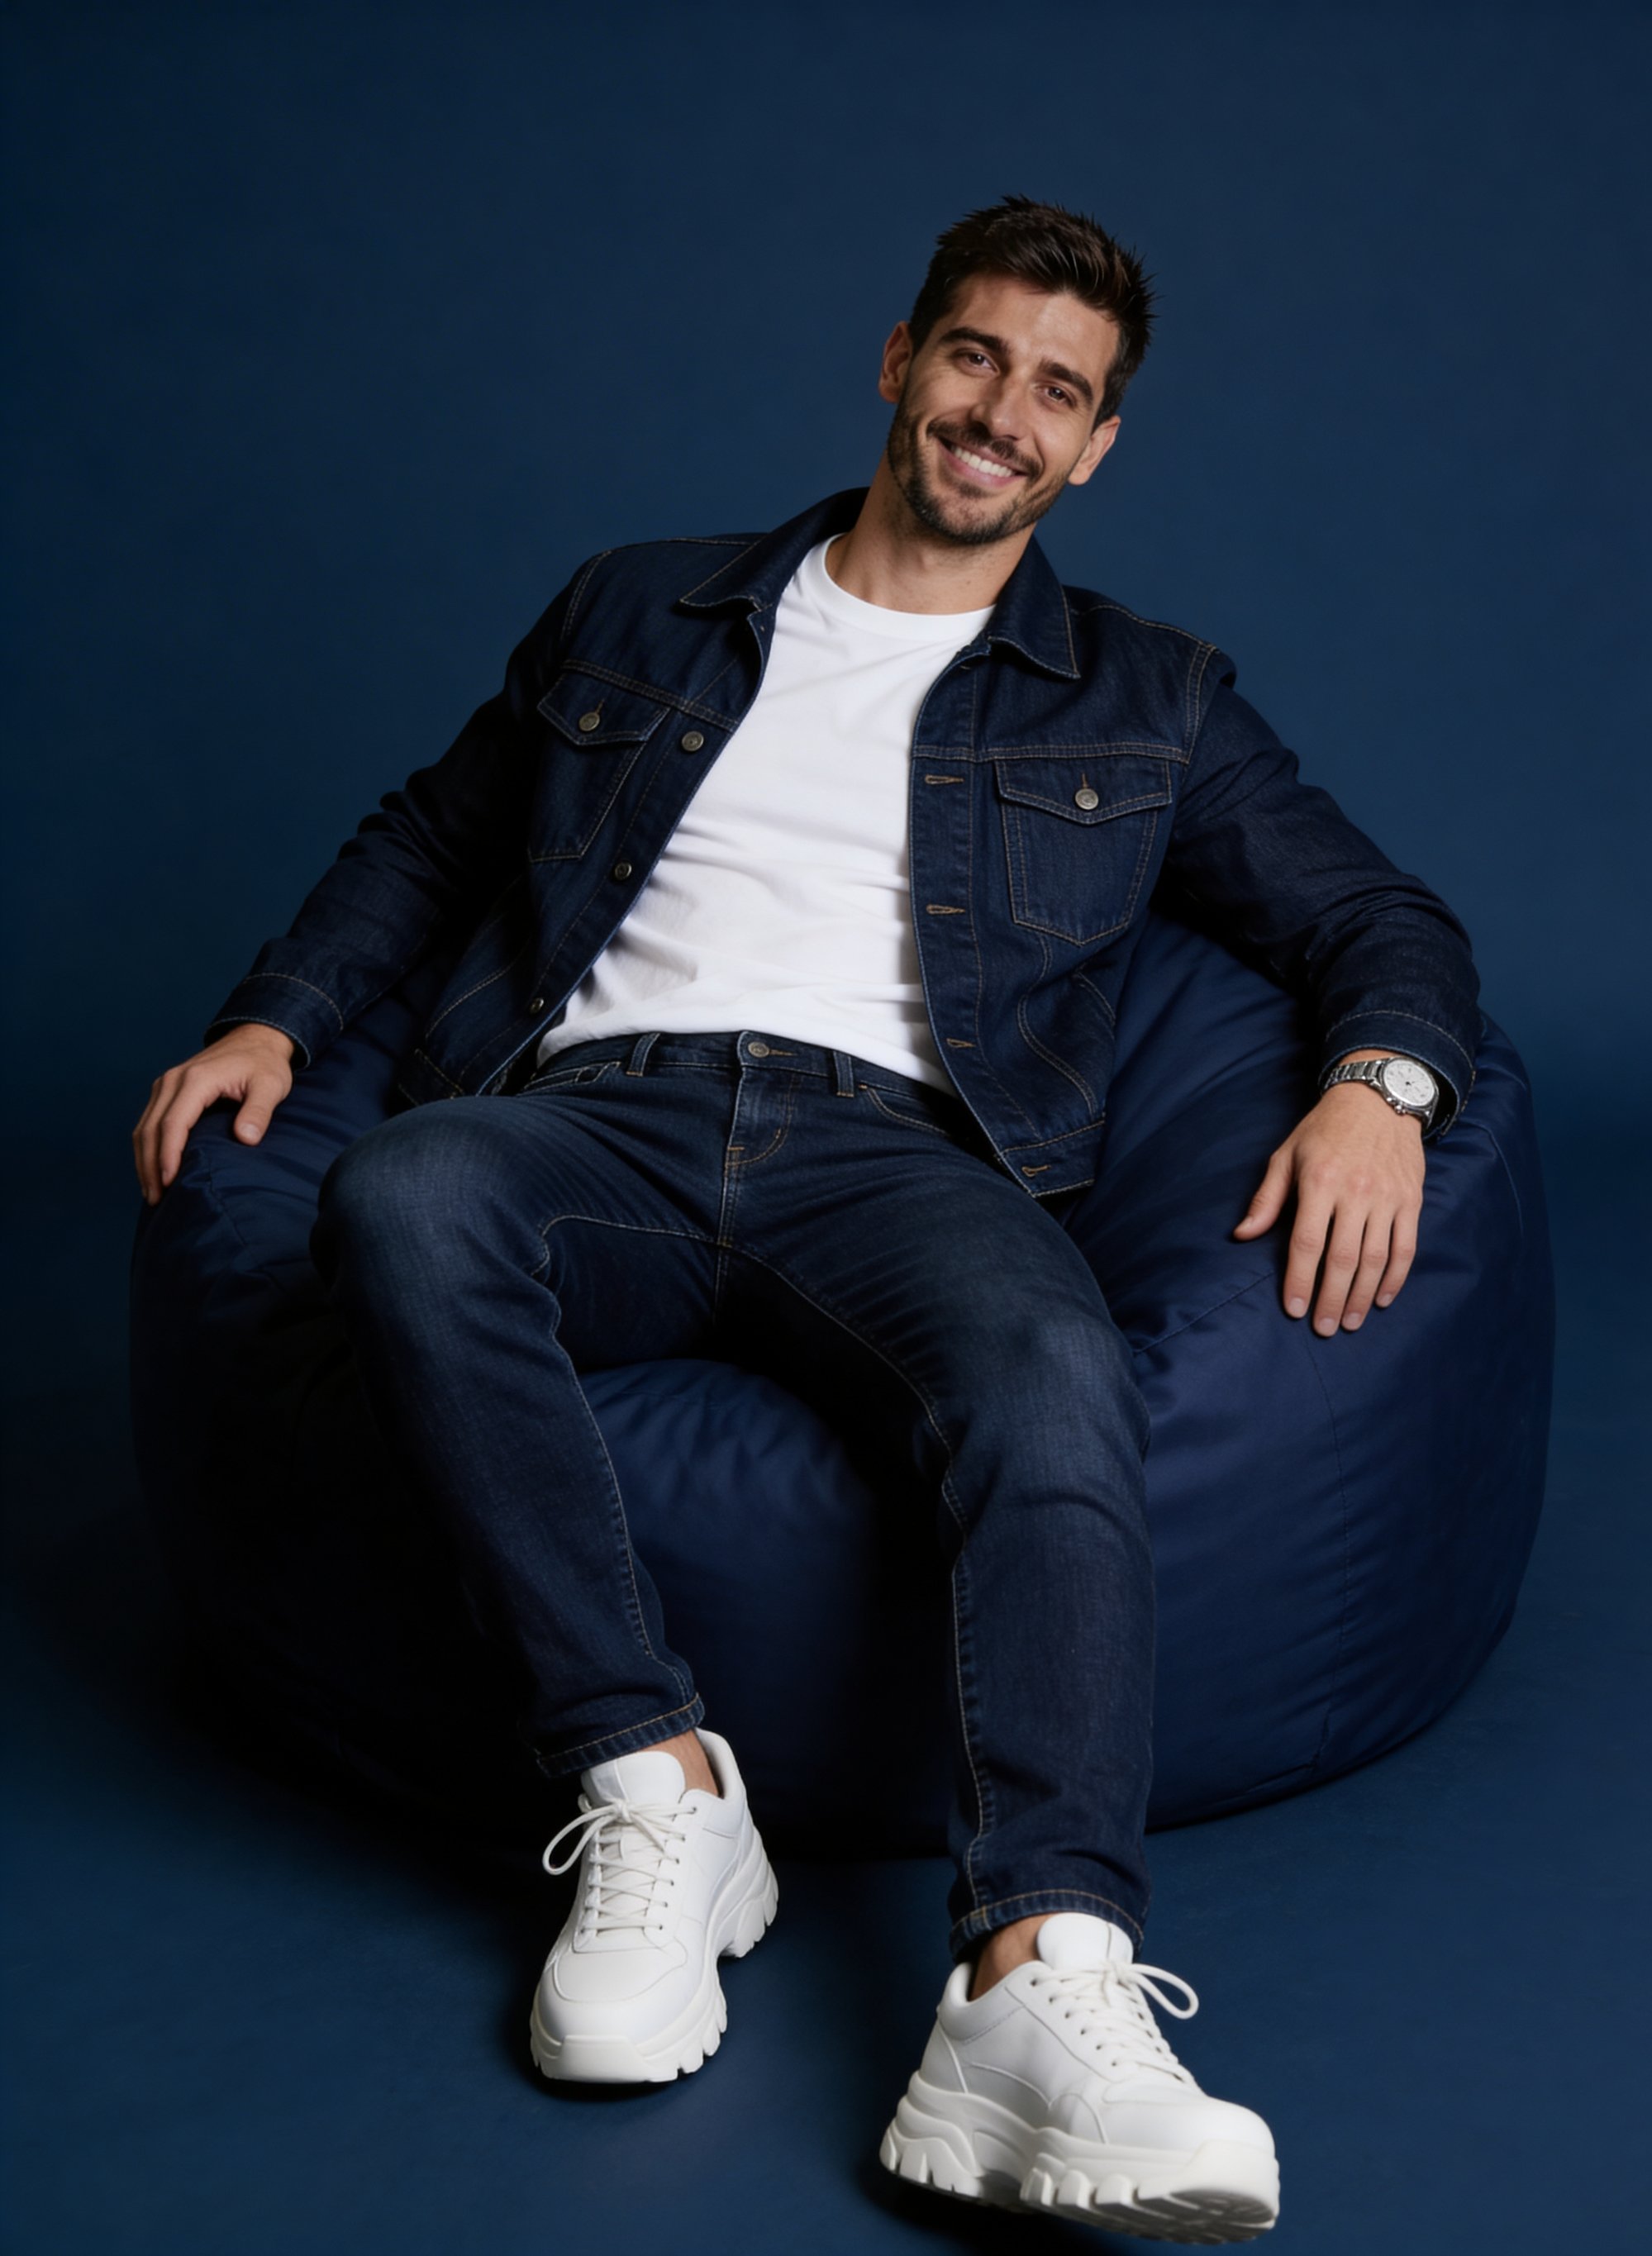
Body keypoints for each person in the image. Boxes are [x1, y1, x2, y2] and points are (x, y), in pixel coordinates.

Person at [132, 196, 1480, 2242]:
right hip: (598, 1126)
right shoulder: (638, 604)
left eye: (1057, 392)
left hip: (903, 1161)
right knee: (398, 1199)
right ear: (897, 361)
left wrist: (1383, 1087)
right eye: (975, 357)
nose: (1001, 414)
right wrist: (278, 1013)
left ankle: (1036, 1980)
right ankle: (653, 1785)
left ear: (1096, 446)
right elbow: (433, 834)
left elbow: (1373, 914)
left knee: (1053, 1368)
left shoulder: (1148, 696)